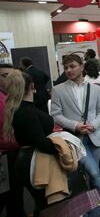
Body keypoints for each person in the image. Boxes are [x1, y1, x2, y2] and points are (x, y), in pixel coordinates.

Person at [50, 54, 100, 200]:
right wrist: (75, 125)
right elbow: (56, 115)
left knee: (92, 175)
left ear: (82, 67)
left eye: (72, 66)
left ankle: (95, 204)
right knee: (94, 172)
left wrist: (94, 125)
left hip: (95, 136)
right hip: (75, 139)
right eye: (66, 67)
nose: (68, 70)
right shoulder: (58, 90)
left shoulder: (95, 88)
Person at [3, 70, 58, 216]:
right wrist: (62, 147)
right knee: (45, 203)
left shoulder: (18, 108)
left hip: (29, 158)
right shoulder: (25, 111)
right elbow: (41, 142)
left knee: (43, 202)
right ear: (32, 86)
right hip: (34, 160)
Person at [0, 64, 25, 217]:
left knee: (15, 198)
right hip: (3, 157)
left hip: (16, 154)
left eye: (10, 75)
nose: (9, 79)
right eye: (4, 76)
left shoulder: (13, 97)